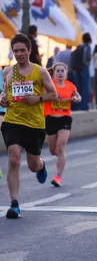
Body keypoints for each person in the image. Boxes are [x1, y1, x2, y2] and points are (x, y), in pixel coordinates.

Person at [0, 34, 58, 219]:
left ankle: (41, 165)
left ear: (29, 50)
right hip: (12, 121)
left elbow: (54, 94)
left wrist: (37, 99)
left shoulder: (39, 72)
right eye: (16, 51)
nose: (19, 54)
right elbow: (5, 94)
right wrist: (3, 99)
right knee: (14, 158)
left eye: (22, 50)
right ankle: (14, 203)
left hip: (34, 124)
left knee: (32, 165)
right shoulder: (8, 71)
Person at [44, 62, 81, 186]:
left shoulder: (70, 86)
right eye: (57, 71)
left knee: (61, 147)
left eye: (62, 71)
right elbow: (42, 95)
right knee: (53, 150)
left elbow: (77, 95)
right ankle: (58, 157)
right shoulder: (50, 85)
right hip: (50, 119)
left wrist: (76, 98)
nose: (60, 73)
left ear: (66, 73)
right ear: (54, 73)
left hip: (64, 119)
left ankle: (58, 176)